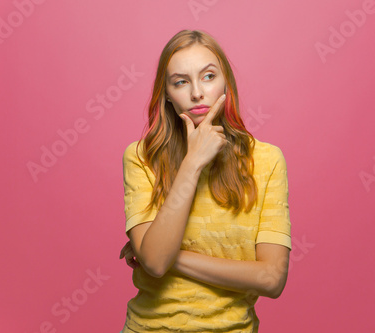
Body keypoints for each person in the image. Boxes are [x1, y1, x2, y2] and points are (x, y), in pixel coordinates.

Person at [118, 29, 292, 333]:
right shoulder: (141, 157)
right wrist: (193, 161)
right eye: (181, 81)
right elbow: (156, 264)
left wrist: (158, 252)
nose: (197, 92)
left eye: (208, 77)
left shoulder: (266, 160)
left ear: (226, 84)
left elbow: (271, 279)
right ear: (168, 96)